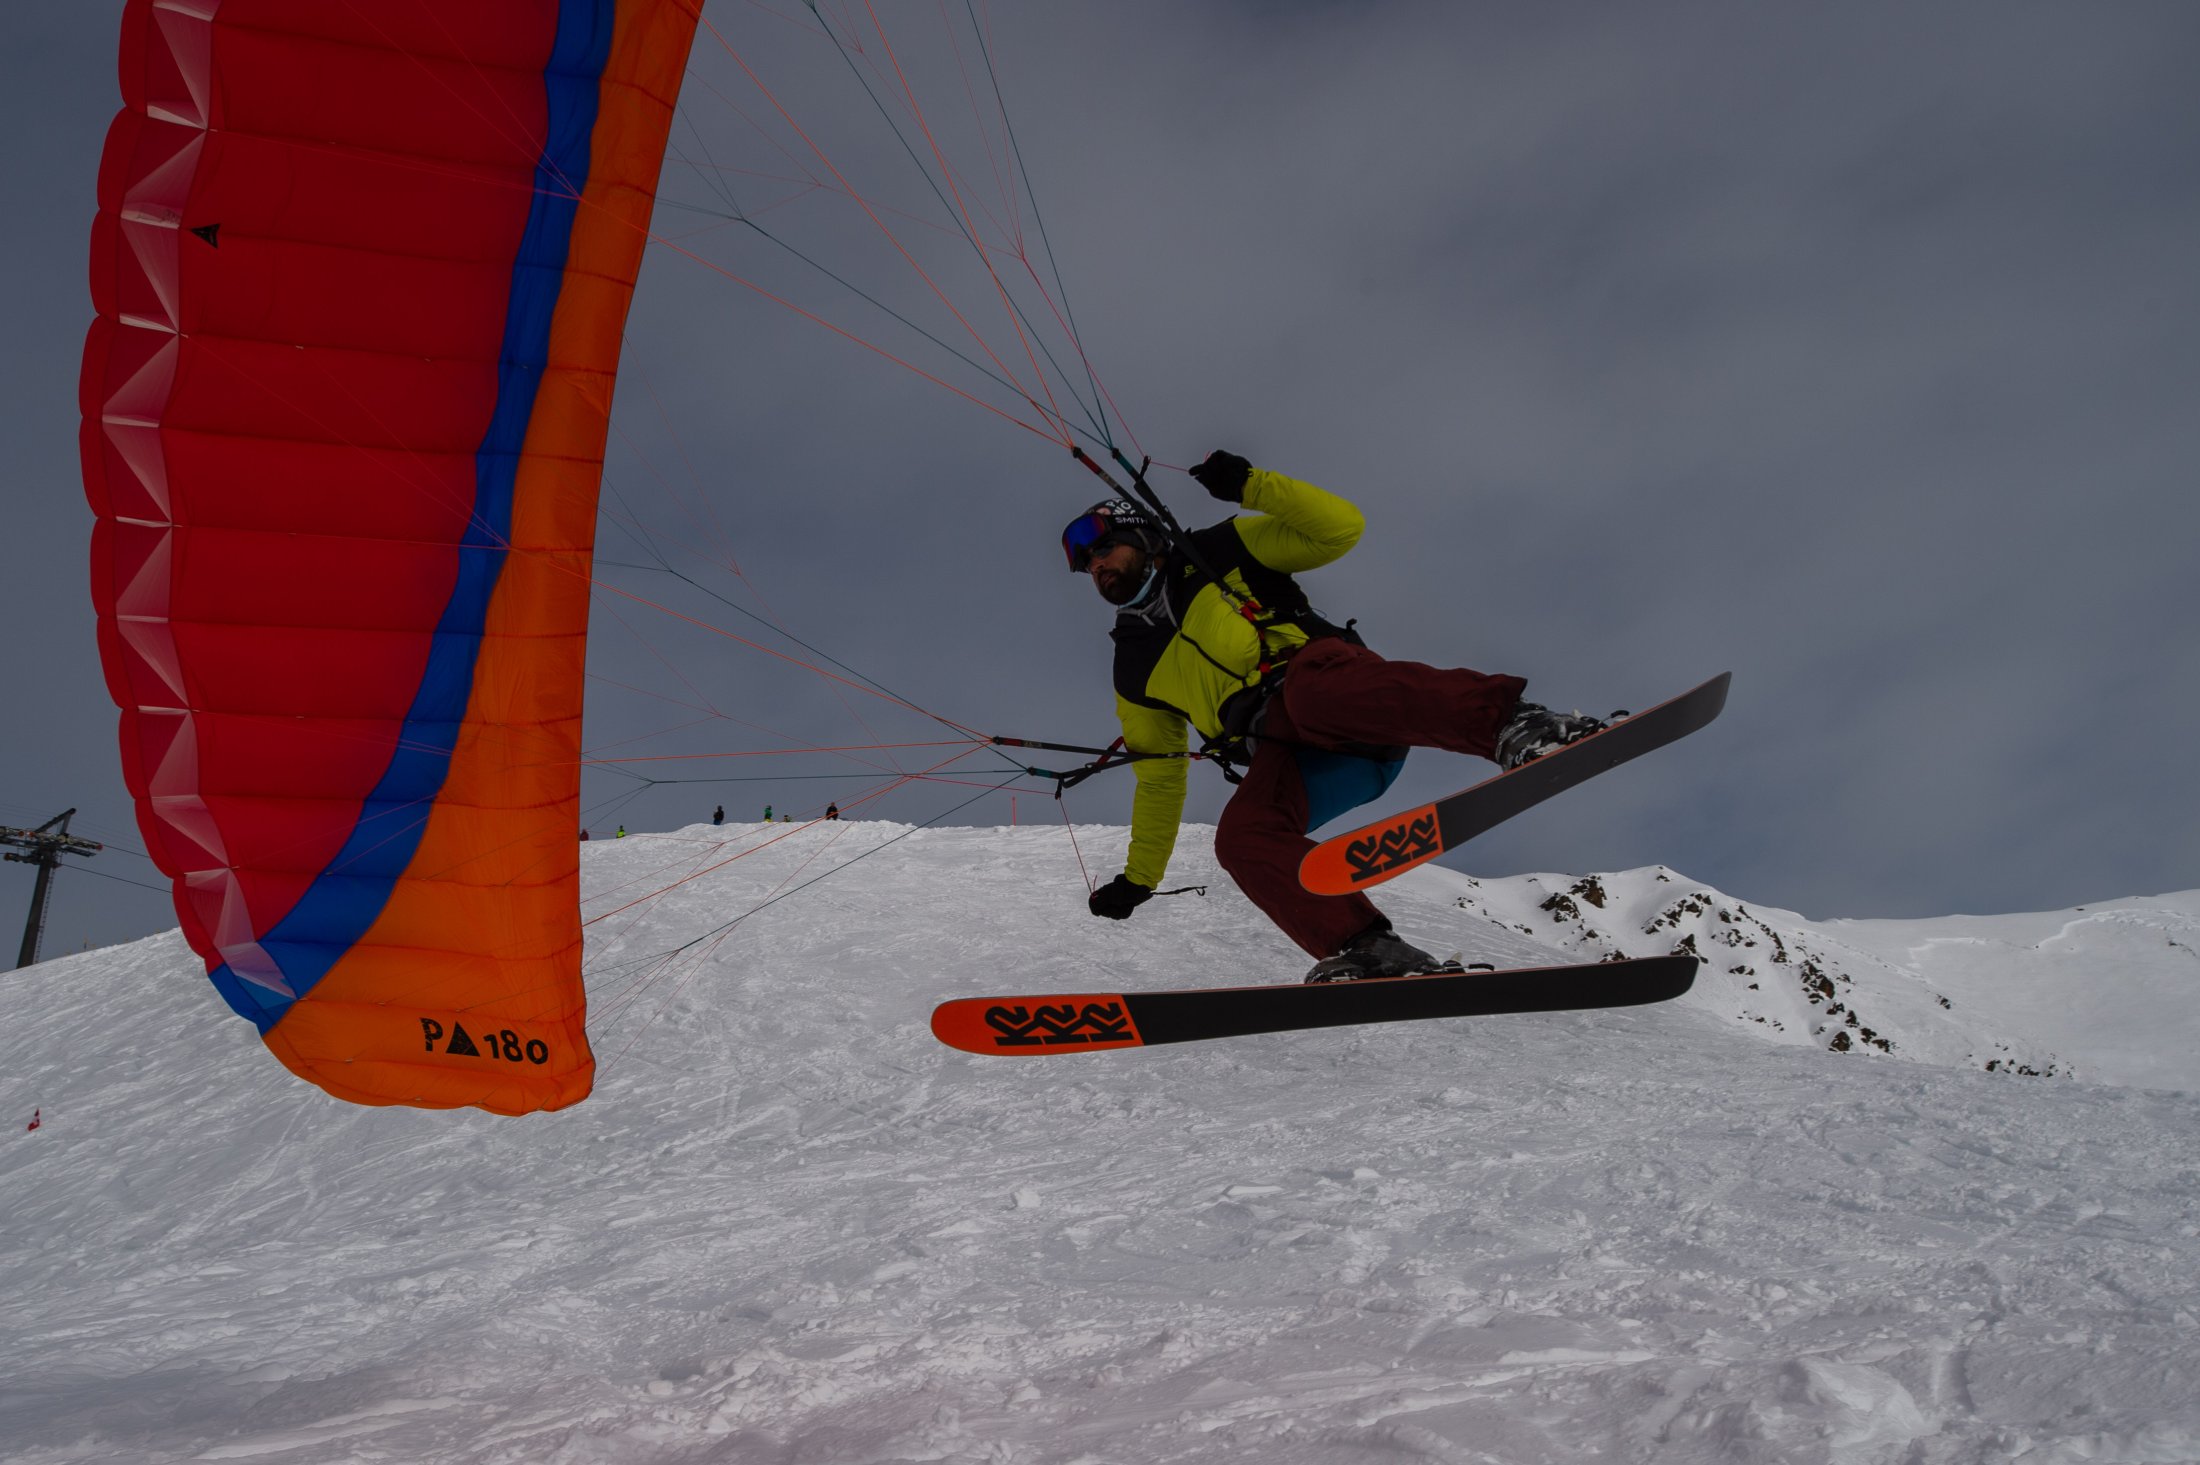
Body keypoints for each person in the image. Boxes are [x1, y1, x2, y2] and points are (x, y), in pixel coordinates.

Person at [1065, 451, 1608, 983]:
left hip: (1345, 700)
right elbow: (1159, 778)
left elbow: (1339, 529)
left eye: (1104, 549)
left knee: (1308, 695)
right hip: (1300, 756)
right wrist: (1139, 880)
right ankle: (1368, 946)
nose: (1097, 566)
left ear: (1143, 538)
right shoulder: (1132, 664)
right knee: (1241, 837)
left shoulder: (1218, 550)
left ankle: (1518, 726)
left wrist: (1251, 485)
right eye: (1087, 564)